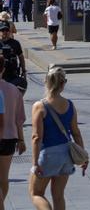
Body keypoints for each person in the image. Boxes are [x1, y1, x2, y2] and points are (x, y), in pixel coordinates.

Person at [29, 66, 86, 210]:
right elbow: (76, 133)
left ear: (46, 82)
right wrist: (84, 157)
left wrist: (35, 163)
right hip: (66, 155)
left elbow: (36, 137)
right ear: (63, 84)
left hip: (48, 155)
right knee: (58, 195)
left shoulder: (40, 106)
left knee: (36, 193)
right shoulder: (70, 105)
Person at [0, 69, 26, 205]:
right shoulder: (14, 90)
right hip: (10, 137)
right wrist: (21, 140)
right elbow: (19, 119)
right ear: (3, 69)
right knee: (4, 177)